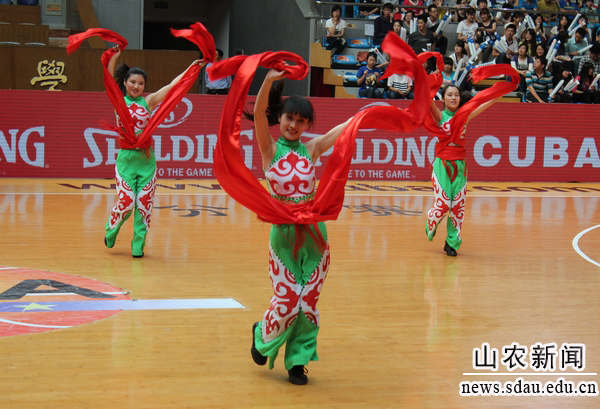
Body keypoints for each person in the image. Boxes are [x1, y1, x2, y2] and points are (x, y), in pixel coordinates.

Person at [243, 68, 353, 385]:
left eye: (301, 121)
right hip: (283, 233)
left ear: (307, 125)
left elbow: (343, 131)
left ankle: (297, 361)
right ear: (280, 118)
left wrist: (365, 115)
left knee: (309, 302)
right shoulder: (269, 149)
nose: (294, 125)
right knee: (289, 299)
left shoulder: (312, 148)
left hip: (315, 234)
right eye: (289, 118)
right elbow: (259, 114)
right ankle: (262, 334)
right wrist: (267, 81)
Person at [104, 45, 204, 257]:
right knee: (126, 202)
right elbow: (108, 79)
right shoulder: (118, 102)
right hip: (126, 161)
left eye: (141, 83)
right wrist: (113, 57)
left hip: (146, 161)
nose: (136, 86)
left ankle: (138, 245)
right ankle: (112, 227)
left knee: (144, 204)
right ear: (125, 83)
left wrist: (191, 68)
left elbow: (172, 86)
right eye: (133, 82)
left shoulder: (148, 102)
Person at [425, 74, 516, 256]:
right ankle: (431, 221)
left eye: (456, 95)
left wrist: (502, 92)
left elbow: (484, 104)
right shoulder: (439, 116)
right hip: (442, 165)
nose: (453, 98)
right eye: (449, 95)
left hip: (460, 166)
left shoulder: (464, 115)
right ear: (443, 99)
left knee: (457, 206)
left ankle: (452, 243)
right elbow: (426, 99)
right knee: (444, 204)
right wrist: (426, 79)